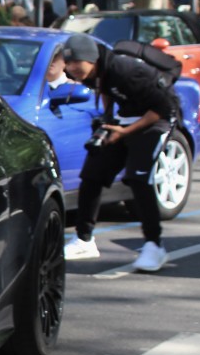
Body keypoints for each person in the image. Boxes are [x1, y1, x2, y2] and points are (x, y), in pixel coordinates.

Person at [61, 33, 178, 272]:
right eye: (68, 63)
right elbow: (105, 89)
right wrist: (108, 120)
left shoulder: (126, 70)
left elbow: (162, 107)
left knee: (138, 178)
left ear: (92, 58)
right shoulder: (90, 72)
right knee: (92, 174)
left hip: (156, 119)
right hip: (124, 119)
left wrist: (125, 133)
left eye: (77, 62)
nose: (72, 68)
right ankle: (84, 240)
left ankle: (154, 246)